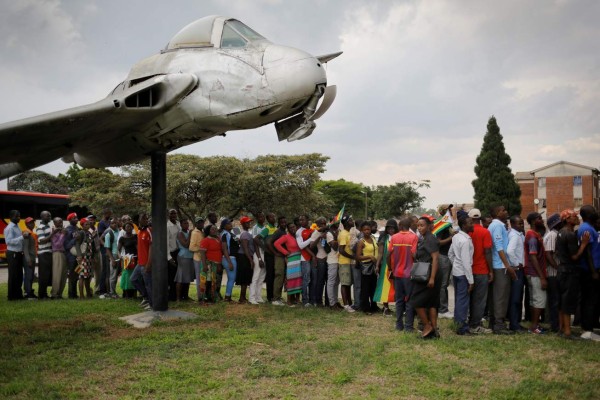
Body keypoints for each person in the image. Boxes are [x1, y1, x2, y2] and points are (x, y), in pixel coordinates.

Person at [556, 209, 591, 340]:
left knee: (562, 301)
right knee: (567, 302)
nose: (577, 218)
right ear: (567, 220)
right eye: (574, 216)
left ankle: (562, 328)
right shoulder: (569, 234)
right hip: (569, 271)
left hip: (562, 270)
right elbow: (575, 256)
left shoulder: (561, 232)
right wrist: (583, 244)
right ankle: (567, 332)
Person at [410, 216, 442, 339]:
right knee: (432, 302)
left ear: (429, 226)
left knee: (416, 301)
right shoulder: (423, 238)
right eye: (418, 225)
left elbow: (435, 258)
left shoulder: (430, 239)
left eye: (422, 225)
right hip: (427, 273)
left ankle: (427, 326)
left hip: (428, 274)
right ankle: (434, 330)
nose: (419, 227)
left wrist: (432, 278)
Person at [488, 204, 516, 334]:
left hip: (498, 265)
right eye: (504, 210)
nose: (506, 212)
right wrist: (508, 266)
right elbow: (499, 247)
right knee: (501, 296)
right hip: (500, 266)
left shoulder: (495, 225)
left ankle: (494, 322)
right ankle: (499, 324)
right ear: (498, 213)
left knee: (497, 296)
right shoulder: (497, 225)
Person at [387, 217, 418, 332]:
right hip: (409, 274)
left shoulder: (394, 237)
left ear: (400, 227)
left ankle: (399, 325)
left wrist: (391, 268)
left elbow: (388, 255)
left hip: (397, 274)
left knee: (399, 300)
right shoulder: (413, 237)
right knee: (409, 301)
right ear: (409, 226)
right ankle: (409, 326)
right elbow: (414, 254)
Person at [466, 208, 493, 334]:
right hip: (481, 269)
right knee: (480, 299)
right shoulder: (485, 232)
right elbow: (487, 251)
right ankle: (475, 325)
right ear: (480, 218)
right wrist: (491, 270)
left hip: (468, 270)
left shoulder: (467, 231)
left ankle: (470, 321)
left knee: (470, 298)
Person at [577, 205, 600, 341]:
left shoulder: (591, 227)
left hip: (593, 269)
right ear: (587, 214)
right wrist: (593, 271)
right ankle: (587, 330)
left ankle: (590, 327)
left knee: (593, 299)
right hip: (589, 271)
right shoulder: (585, 228)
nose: (595, 211)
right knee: (589, 300)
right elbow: (587, 253)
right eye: (592, 210)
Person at [449, 217, 474, 335]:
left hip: (456, 272)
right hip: (463, 273)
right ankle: (462, 327)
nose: (472, 225)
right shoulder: (465, 240)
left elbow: (450, 254)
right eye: (470, 223)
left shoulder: (455, 237)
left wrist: (455, 264)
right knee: (462, 301)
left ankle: (457, 323)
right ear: (464, 225)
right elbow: (466, 262)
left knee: (459, 299)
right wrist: (471, 280)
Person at [524, 212, 548, 334]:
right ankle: (534, 327)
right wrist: (542, 277)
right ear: (533, 221)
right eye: (539, 218)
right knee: (539, 300)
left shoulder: (535, 235)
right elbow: (533, 257)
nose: (542, 220)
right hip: (535, 273)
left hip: (535, 273)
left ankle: (535, 325)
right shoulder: (532, 236)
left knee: (536, 300)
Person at [506, 215, 527, 333]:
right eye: (519, 223)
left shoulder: (519, 234)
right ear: (513, 224)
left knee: (518, 297)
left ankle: (516, 322)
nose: (521, 225)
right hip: (517, 270)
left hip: (519, 269)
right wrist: (516, 263)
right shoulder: (514, 236)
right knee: (515, 298)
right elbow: (509, 251)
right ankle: (514, 324)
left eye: (522, 223)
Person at [274, 222, 302, 306]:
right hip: (291, 260)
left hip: (299, 259)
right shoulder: (286, 237)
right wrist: (285, 252)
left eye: (294, 227)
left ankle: (297, 299)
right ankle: (289, 300)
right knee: (291, 280)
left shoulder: (298, 236)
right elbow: (276, 244)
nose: (293, 228)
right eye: (290, 227)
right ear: (288, 229)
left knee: (298, 280)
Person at [374, 219, 398, 316]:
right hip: (385, 266)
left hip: (397, 266)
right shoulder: (384, 238)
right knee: (385, 287)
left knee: (396, 287)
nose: (391, 230)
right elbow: (380, 253)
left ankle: (399, 308)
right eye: (389, 228)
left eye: (392, 228)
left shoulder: (398, 237)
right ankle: (386, 307)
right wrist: (377, 265)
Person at [543, 213, 562, 332]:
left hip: (555, 273)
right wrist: (557, 268)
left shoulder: (555, 234)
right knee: (555, 300)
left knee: (556, 300)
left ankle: (557, 324)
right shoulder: (552, 235)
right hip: (553, 274)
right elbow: (548, 254)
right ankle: (554, 325)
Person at [436, 205, 455, 320]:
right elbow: (438, 242)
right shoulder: (442, 225)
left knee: (444, 284)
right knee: (443, 285)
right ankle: (442, 310)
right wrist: (451, 237)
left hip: (446, 256)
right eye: (448, 210)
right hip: (443, 256)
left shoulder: (448, 224)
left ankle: (443, 308)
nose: (451, 211)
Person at [130, 213, 152, 310]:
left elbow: (152, 247)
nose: (146, 220)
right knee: (133, 279)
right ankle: (146, 297)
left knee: (148, 284)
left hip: (146, 263)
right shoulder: (139, 231)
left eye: (147, 218)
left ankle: (152, 304)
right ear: (139, 220)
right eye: (143, 218)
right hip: (140, 262)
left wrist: (149, 263)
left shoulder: (149, 231)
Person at [355, 221, 379, 314]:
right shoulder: (361, 242)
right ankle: (366, 308)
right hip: (366, 266)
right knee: (365, 288)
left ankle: (374, 306)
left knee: (373, 287)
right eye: (365, 230)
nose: (367, 231)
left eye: (368, 229)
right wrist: (369, 256)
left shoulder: (373, 239)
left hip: (374, 266)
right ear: (361, 231)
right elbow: (357, 257)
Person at [266, 216, 288, 306]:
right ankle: (275, 298)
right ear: (279, 223)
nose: (284, 224)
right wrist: (275, 252)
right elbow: (268, 242)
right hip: (279, 257)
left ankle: (278, 297)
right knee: (279, 276)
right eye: (282, 222)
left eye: (285, 222)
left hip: (283, 256)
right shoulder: (278, 232)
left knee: (282, 277)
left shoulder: (284, 231)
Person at [4, 210, 25, 300]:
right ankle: (12, 296)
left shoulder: (17, 226)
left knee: (19, 275)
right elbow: (8, 242)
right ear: (11, 217)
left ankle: (18, 294)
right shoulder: (9, 228)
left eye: (19, 216)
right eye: (16, 216)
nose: (18, 218)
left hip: (18, 253)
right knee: (13, 275)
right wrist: (22, 237)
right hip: (13, 253)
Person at [199, 224, 223, 303]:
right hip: (209, 264)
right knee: (208, 282)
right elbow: (202, 253)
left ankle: (213, 297)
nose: (215, 230)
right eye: (212, 229)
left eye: (215, 229)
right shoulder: (205, 240)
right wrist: (204, 265)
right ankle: (205, 298)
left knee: (215, 282)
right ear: (208, 230)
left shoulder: (218, 239)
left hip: (217, 264)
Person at [296, 214, 315, 306]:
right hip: (304, 258)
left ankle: (312, 299)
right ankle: (304, 300)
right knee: (306, 279)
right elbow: (301, 245)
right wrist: (311, 239)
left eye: (303, 220)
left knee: (311, 280)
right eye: (300, 220)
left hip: (312, 257)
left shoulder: (312, 230)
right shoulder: (299, 232)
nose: (301, 222)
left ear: (308, 220)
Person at [309, 217, 329, 306]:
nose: (324, 225)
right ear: (317, 225)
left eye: (325, 223)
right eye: (322, 224)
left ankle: (328, 302)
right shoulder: (315, 233)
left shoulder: (328, 232)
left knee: (328, 282)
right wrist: (319, 237)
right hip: (320, 259)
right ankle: (318, 301)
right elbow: (311, 246)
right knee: (320, 281)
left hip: (329, 260)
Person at [259, 212, 278, 302]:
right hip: (269, 255)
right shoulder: (266, 228)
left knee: (274, 275)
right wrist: (265, 249)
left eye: (274, 216)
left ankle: (274, 295)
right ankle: (269, 297)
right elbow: (256, 239)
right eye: (271, 217)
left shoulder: (275, 228)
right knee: (270, 275)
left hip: (275, 254)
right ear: (268, 219)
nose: (273, 218)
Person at [173, 219, 194, 301]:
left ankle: (186, 296)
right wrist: (190, 235)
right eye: (185, 223)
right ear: (181, 225)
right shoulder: (180, 233)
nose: (187, 225)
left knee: (187, 277)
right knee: (180, 277)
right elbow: (185, 244)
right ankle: (178, 298)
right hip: (183, 256)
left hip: (190, 256)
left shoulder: (188, 232)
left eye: (187, 223)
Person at [250, 212, 267, 305]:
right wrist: (260, 258)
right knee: (256, 276)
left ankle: (258, 296)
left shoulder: (265, 228)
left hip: (265, 254)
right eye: (260, 217)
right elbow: (255, 242)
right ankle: (252, 297)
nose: (262, 218)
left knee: (262, 277)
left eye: (263, 217)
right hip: (258, 253)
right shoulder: (255, 228)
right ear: (257, 218)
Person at [220, 218, 239, 303]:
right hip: (229, 258)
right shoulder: (225, 234)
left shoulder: (230, 233)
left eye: (231, 223)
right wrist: (229, 262)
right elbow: (224, 248)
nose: (231, 224)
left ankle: (228, 297)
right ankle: (227, 298)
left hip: (232, 257)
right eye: (228, 223)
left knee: (231, 278)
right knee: (231, 278)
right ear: (224, 226)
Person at [237, 216, 255, 304]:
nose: (249, 224)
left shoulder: (247, 233)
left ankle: (243, 297)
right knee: (244, 277)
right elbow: (245, 248)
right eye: (247, 222)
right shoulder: (244, 234)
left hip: (246, 256)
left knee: (247, 276)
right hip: (244, 257)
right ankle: (242, 298)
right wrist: (250, 260)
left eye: (249, 222)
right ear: (243, 224)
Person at [64, 213, 82, 299]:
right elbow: (67, 245)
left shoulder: (78, 229)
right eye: (74, 218)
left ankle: (75, 293)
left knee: (77, 274)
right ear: (70, 220)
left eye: (77, 217)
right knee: (71, 275)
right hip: (71, 256)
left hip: (78, 256)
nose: (76, 219)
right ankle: (71, 294)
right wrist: (75, 238)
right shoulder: (67, 230)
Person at [118, 221, 138, 299]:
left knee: (135, 275)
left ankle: (134, 294)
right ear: (124, 229)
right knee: (126, 275)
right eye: (127, 227)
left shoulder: (135, 236)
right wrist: (120, 257)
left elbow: (138, 247)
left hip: (135, 257)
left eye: (130, 226)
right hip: (126, 258)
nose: (128, 228)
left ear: (132, 228)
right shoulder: (122, 238)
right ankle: (126, 294)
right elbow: (118, 249)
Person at [36, 211, 53, 300]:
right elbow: (42, 240)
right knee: (43, 275)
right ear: (42, 217)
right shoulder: (40, 228)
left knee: (47, 275)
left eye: (50, 215)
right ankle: (41, 295)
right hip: (43, 253)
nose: (50, 217)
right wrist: (52, 234)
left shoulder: (48, 226)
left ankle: (45, 294)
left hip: (49, 252)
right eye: (47, 216)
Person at [325, 221, 342, 309]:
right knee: (331, 282)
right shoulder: (329, 233)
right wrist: (337, 236)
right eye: (337, 222)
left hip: (339, 260)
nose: (338, 224)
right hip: (332, 260)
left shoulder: (337, 231)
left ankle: (335, 301)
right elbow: (334, 247)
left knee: (336, 282)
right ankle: (332, 303)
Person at [188, 217, 205, 302]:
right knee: (199, 278)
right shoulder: (195, 233)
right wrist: (200, 249)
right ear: (196, 224)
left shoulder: (202, 232)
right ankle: (200, 297)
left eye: (202, 222)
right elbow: (191, 247)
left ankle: (203, 295)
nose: (201, 224)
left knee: (203, 278)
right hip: (198, 258)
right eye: (199, 223)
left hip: (203, 259)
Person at [50, 217, 68, 299]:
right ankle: (54, 294)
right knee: (57, 274)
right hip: (57, 253)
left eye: (61, 222)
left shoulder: (62, 231)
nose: (60, 224)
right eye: (58, 222)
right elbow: (57, 245)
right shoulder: (53, 232)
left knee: (63, 275)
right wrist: (63, 234)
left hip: (63, 254)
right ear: (54, 223)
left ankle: (60, 293)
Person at [96, 208, 112, 297]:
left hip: (109, 247)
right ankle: (102, 290)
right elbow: (101, 237)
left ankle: (108, 289)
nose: (110, 216)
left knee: (108, 270)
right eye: (109, 214)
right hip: (104, 249)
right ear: (105, 213)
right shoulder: (101, 223)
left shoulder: (109, 222)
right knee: (105, 270)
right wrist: (106, 246)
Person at [77, 218, 94, 299]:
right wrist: (79, 256)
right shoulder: (81, 233)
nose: (88, 225)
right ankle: (81, 295)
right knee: (81, 276)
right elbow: (77, 244)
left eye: (88, 224)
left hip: (89, 257)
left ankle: (88, 294)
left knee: (88, 276)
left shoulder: (89, 233)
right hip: (82, 258)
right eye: (86, 224)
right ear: (82, 225)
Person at [166, 209, 181, 302]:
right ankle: (171, 297)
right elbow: (166, 242)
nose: (173, 215)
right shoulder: (167, 226)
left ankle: (179, 295)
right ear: (168, 215)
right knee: (171, 276)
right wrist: (169, 257)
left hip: (178, 252)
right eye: (171, 213)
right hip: (171, 253)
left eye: (175, 213)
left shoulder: (178, 224)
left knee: (178, 275)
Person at [104, 217, 121, 299]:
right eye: (112, 223)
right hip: (113, 255)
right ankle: (112, 293)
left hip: (119, 255)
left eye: (115, 222)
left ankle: (114, 292)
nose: (114, 224)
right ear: (110, 225)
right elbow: (107, 248)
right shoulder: (108, 234)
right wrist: (112, 259)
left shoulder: (120, 232)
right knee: (113, 275)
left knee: (117, 275)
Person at [22, 217, 38, 299]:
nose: (32, 224)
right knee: (28, 276)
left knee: (31, 276)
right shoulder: (26, 233)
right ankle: (27, 294)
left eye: (33, 222)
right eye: (30, 223)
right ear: (26, 224)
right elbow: (25, 248)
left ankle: (30, 292)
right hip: (28, 258)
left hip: (32, 257)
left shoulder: (31, 233)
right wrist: (28, 260)